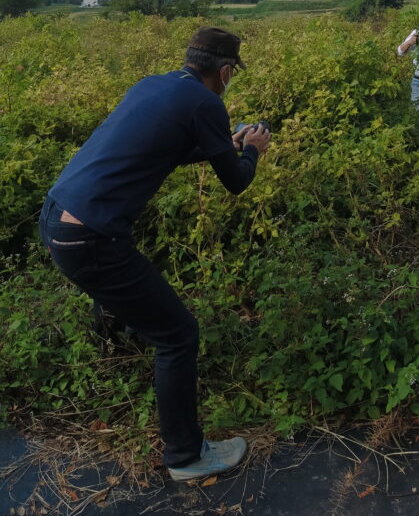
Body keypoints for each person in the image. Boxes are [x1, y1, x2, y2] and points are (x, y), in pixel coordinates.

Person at [39, 27, 270, 482]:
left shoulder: (153, 84)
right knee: (179, 336)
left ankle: (114, 347)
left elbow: (159, 149)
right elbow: (238, 182)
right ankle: (186, 457)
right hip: (91, 237)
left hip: (55, 217)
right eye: (231, 74)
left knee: (121, 292)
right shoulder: (208, 103)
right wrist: (253, 152)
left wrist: (226, 144)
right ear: (224, 72)